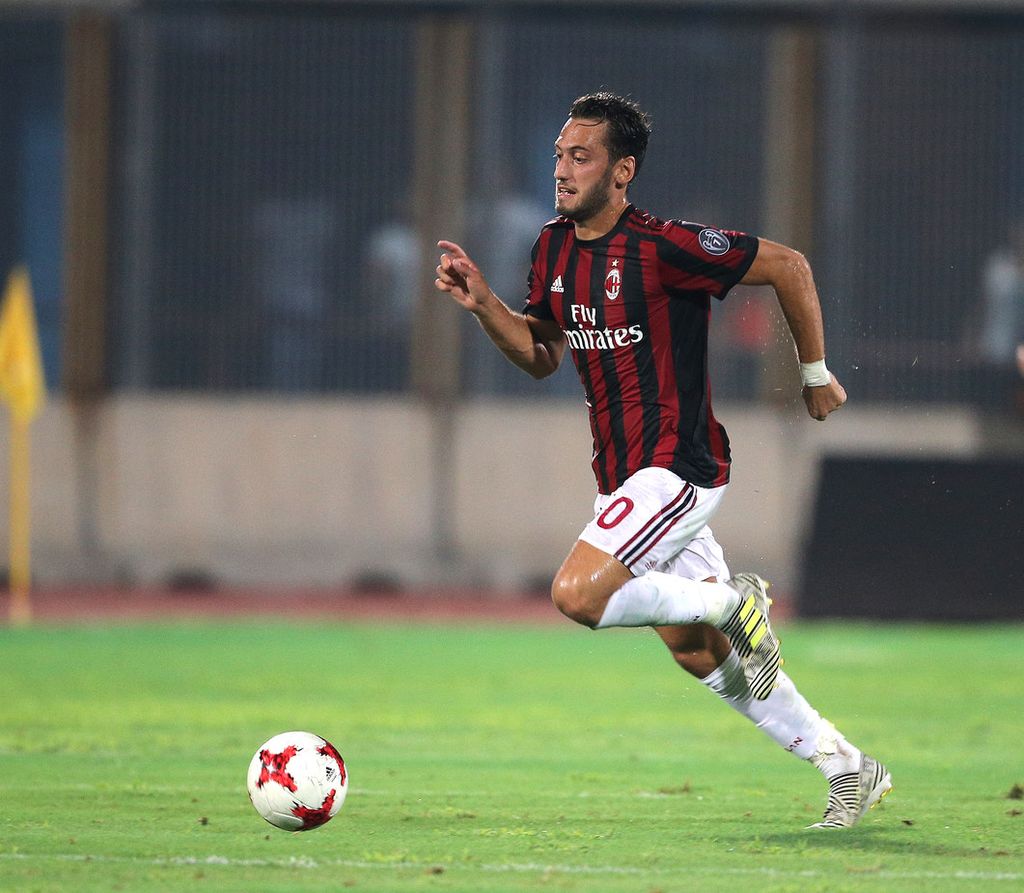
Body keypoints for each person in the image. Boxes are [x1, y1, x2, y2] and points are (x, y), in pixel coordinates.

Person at [434, 92, 891, 829]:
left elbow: (788, 264)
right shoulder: (550, 248)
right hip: (625, 476)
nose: (562, 169)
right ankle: (846, 765)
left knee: (577, 595)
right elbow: (542, 355)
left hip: (678, 465)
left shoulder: (663, 246)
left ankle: (735, 603)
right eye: (558, 154)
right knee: (695, 650)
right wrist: (487, 303)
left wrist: (814, 372)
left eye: (580, 157)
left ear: (622, 172)